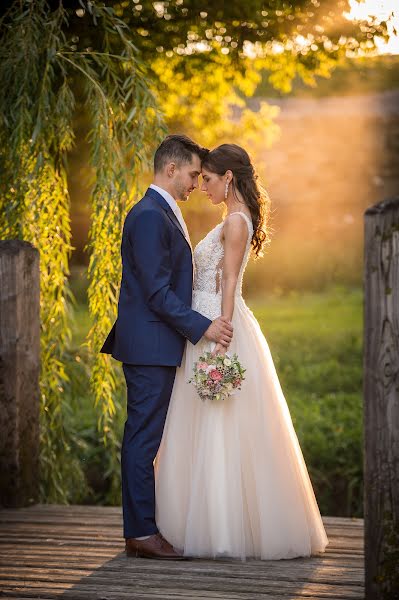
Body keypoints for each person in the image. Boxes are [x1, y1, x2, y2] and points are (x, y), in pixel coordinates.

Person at [154, 143, 329, 560]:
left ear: (227, 178)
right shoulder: (231, 217)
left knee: (219, 422)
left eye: (209, 180)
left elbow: (230, 282)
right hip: (205, 325)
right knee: (204, 421)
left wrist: (221, 340)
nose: (203, 187)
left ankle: (222, 530)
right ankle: (201, 522)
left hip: (216, 327)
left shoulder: (235, 221)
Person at [100, 135, 234, 560]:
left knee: (148, 437)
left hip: (158, 343)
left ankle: (144, 527)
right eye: (194, 173)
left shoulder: (161, 212)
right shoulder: (148, 216)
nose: (197, 181)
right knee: (143, 439)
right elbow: (156, 292)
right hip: (149, 346)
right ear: (171, 168)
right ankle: (140, 532)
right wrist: (204, 328)